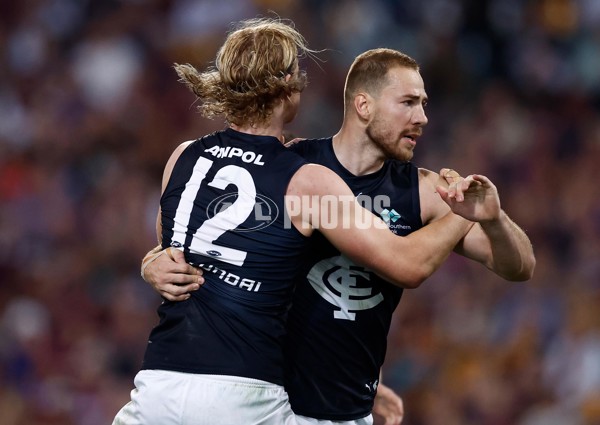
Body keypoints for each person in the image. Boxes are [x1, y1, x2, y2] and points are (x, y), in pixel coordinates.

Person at [112, 19, 484, 425]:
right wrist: (461, 214)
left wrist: (150, 263)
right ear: (287, 85)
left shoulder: (182, 157)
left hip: (159, 384)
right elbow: (408, 265)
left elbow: (175, 250)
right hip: (243, 394)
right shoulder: (307, 180)